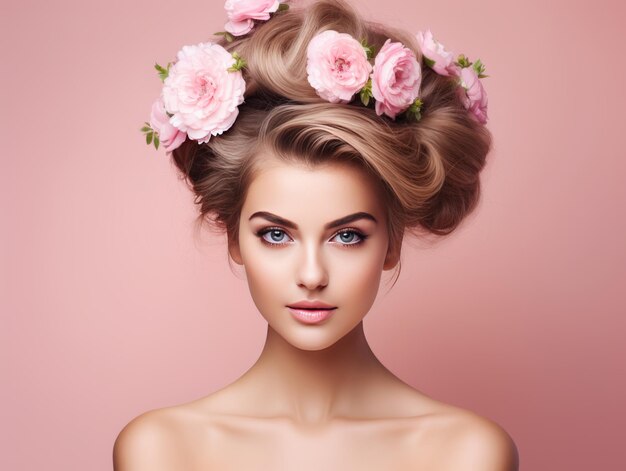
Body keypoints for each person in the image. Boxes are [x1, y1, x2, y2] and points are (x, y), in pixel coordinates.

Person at [115, 0, 519, 469]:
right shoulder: (163, 451)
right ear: (233, 239)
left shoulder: (464, 454)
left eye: (347, 236)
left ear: (391, 244)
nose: (311, 275)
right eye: (275, 235)